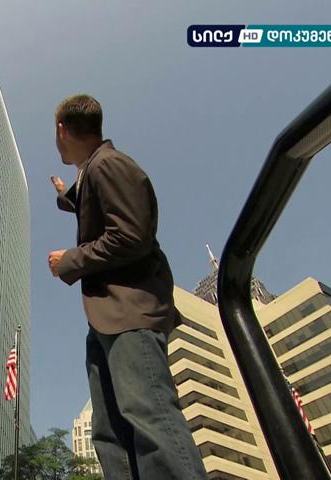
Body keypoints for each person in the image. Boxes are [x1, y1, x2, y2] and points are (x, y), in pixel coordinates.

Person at [47, 94, 207, 479]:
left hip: (129, 311)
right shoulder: (96, 169)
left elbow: (130, 235)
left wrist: (69, 260)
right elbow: (97, 202)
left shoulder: (109, 164)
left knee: (149, 414)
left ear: (62, 130)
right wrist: (67, 195)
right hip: (106, 317)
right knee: (110, 433)